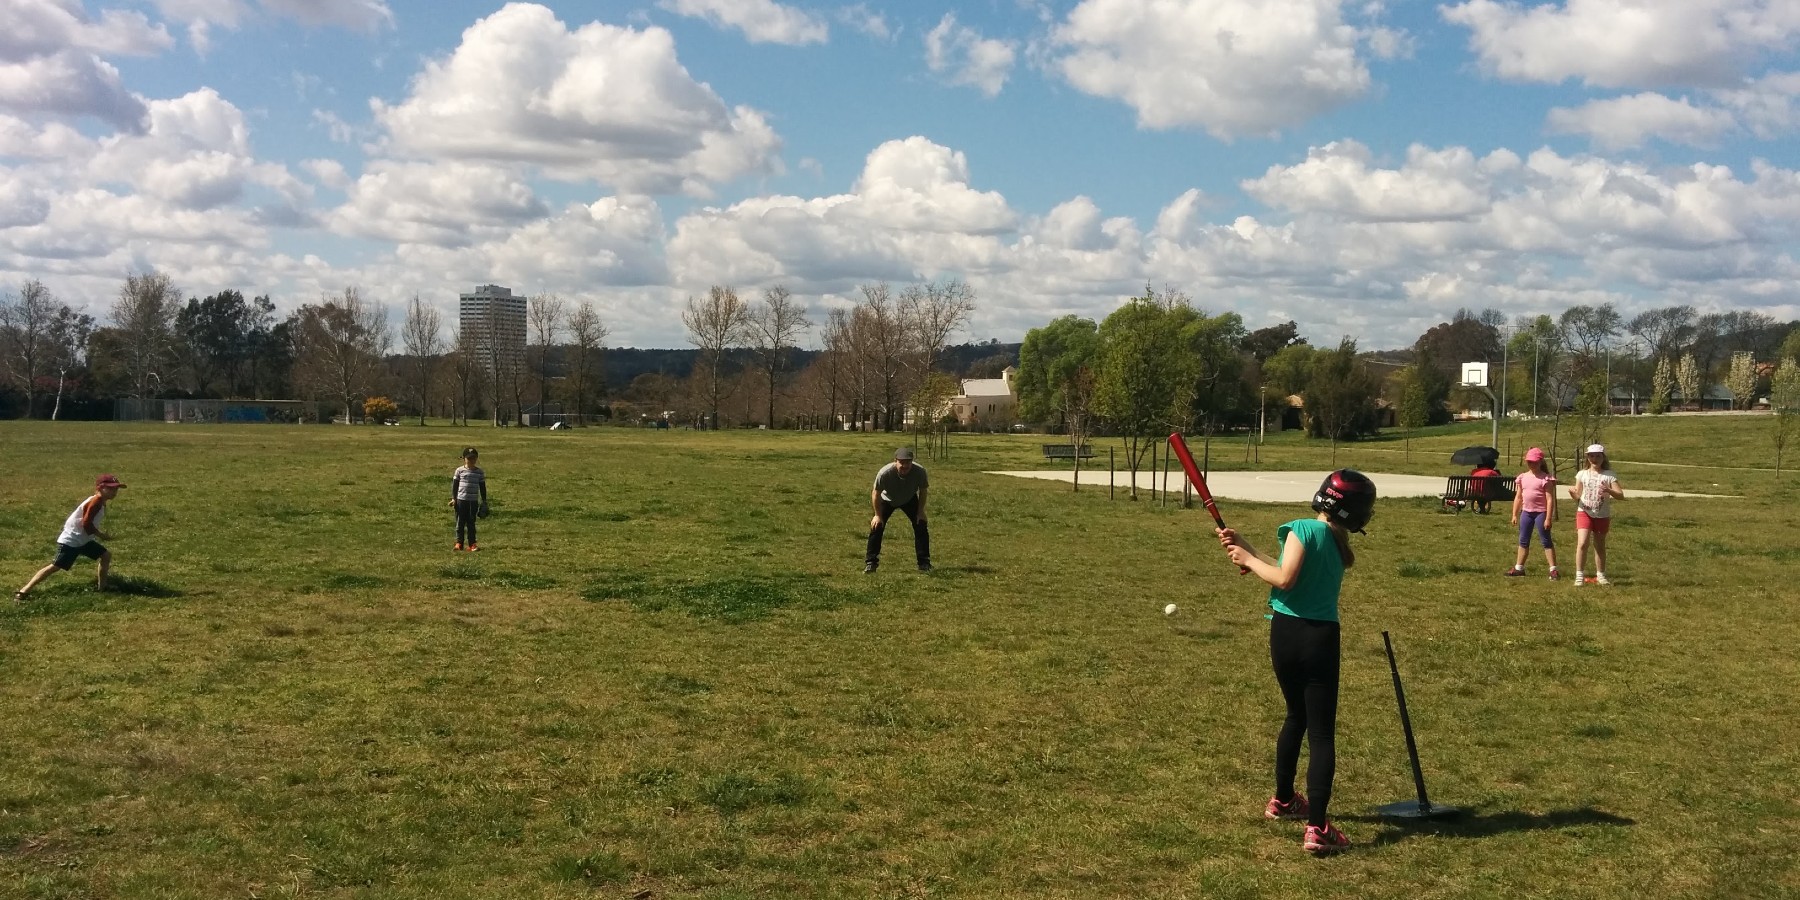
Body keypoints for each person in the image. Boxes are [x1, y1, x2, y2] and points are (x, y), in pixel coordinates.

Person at [1216, 469, 1376, 856]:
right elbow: (1289, 575)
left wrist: (1247, 559)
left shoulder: (1304, 529)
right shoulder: (1335, 541)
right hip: (1318, 638)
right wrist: (1249, 550)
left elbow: (1286, 577)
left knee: (1295, 717)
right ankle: (1318, 827)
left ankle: (1284, 800)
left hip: (1284, 634)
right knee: (1320, 732)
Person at [15, 474, 126, 603]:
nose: (114, 492)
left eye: (116, 489)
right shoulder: (95, 502)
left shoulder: (99, 501)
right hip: (72, 541)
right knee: (55, 566)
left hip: (83, 540)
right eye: (111, 489)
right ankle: (24, 591)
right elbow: (86, 523)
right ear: (100, 488)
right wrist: (102, 535)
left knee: (106, 555)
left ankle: (102, 588)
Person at [865, 447, 930, 574]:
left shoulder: (920, 472)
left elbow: (923, 491)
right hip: (887, 499)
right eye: (902, 462)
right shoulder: (885, 473)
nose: (905, 466)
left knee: (921, 524)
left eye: (908, 462)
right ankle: (871, 563)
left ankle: (924, 563)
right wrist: (877, 515)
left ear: (912, 462)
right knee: (877, 526)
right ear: (895, 461)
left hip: (909, 498)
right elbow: (876, 493)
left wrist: (920, 511)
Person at [1569, 443, 1624, 586]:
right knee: (1582, 543)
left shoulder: (1609, 475)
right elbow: (1578, 495)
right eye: (1591, 456)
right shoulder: (1582, 474)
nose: (1594, 459)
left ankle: (1601, 575)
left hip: (1602, 514)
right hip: (1584, 512)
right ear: (1587, 458)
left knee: (1599, 545)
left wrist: (1609, 490)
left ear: (1603, 457)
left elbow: (1620, 495)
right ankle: (1579, 576)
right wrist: (1573, 494)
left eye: (1598, 456)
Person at [1505, 447, 1560, 579]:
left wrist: (1548, 518)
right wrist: (1514, 514)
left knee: (1546, 541)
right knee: (1523, 540)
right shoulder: (1523, 477)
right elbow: (1518, 497)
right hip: (1526, 513)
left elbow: (1549, 499)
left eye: (1534, 462)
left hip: (1541, 513)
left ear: (1540, 462)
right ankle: (1519, 568)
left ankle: (1553, 569)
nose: (1532, 464)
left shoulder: (1545, 479)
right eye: (1529, 462)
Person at [450, 447, 488, 552]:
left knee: (471, 523)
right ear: (464, 459)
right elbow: (455, 486)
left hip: (473, 501)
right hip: (461, 501)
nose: (471, 460)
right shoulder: (459, 471)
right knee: (460, 523)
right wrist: (454, 498)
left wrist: (484, 501)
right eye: (469, 458)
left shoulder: (479, 472)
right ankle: (459, 543)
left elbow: (482, 487)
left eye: (473, 458)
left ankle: (472, 544)